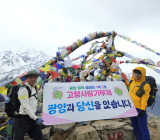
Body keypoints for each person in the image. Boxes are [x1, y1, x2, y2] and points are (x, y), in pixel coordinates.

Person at [12, 71, 44, 140]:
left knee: (38, 136)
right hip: (22, 119)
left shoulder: (34, 87)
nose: (33, 79)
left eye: (35, 77)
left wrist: (42, 89)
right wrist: (35, 118)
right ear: (26, 78)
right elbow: (25, 106)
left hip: (32, 117)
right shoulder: (23, 89)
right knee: (18, 138)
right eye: (31, 77)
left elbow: (35, 97)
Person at [122, 67, 151, 140]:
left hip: (139, 109)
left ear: (142, 74)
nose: (137, 74)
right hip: (131, 108)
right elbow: (130, 86)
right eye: (136, 72)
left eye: (139, 73)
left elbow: (145, 98)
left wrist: (142, 109)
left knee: (143, 128)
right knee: (135, 127)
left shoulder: (145, 85)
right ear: (133, 73)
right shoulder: (132, 81)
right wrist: (125, 83)